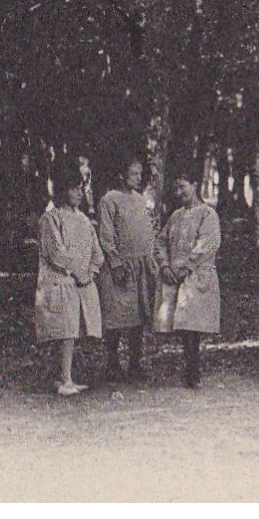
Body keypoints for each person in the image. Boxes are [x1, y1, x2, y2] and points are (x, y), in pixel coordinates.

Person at [35, 160, 104, 396]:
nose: (78, 192)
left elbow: (97, 253)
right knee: (63, 329)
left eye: (80, 188)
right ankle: (62, 378)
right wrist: (76, 272)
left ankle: (66, 376)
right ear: (63, 190)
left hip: (81, 282)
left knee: (73, 330)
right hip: (59, 280)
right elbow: (56, 252)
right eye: (73, 188)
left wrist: (90, 273)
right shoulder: (51, 219)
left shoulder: (84, 221)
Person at [154, 178, 221, 389]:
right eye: (175, 187)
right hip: (176, 276)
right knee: (182, 324)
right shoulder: (176, 216)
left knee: (193, 324)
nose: (178, 192)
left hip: (196, 275)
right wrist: (165, 265)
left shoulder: (207, 214)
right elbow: (161, 241)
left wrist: (186, 266)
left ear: (194, 185)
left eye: (182, 186)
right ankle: (190, 366)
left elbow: (208, 243)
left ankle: (194, 369)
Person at [97, 157, 156, 381]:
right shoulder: (109, 200)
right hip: (120, 267)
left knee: (137, 317)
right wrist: (115, 262)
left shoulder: (141, 200)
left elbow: (147, 232)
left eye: (140, 174)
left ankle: (135, 363)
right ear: (121, 175)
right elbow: (106, 234)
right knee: (116, 315)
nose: (138, 178)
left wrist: (149, 259)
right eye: (133, 174)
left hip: (139, 267)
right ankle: (112, 363)